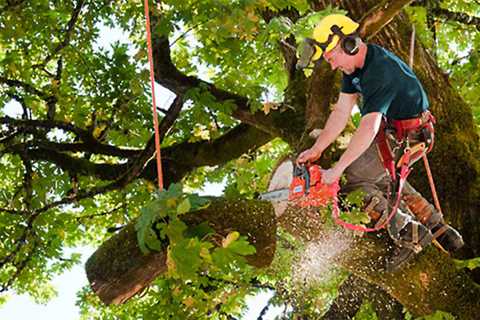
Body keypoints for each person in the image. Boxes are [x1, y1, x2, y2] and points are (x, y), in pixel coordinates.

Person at [296, 14, 463, 271]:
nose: (331, 66)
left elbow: (368, 126)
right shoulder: (355, 70)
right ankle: (434, 222)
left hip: (409, 135)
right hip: (394, 132)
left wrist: (337, 170)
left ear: (348, 45)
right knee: (378, 177)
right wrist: (317, 149)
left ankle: (410, 234)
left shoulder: (379, 72)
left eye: (332, 58)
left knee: (354, 181)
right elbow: (341, 112)